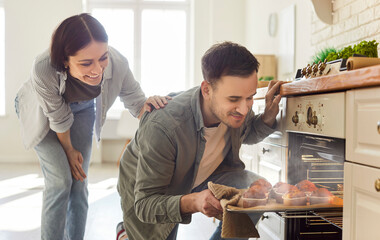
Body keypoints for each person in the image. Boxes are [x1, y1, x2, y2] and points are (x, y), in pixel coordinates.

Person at [14, 13, 170, 240]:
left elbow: (137, 103)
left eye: (102, 58)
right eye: (86, 63)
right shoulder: (43, 67)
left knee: (79, 181)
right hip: (39, 111)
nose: (98, 69)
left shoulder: (117, 62)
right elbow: (57, 118)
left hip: (82, 109)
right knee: (60, 181)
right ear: (65, 61)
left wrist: (150, 105)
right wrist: (68, 150)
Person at [117, 41, 283, 240]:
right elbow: (145, 205)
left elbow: (246, 132)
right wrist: (193, 201)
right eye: (233, 99)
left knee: (258, 192)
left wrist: (267, 117)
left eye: (250, 98)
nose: (244, 109)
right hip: (152, 189)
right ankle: (126, 234)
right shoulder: (164, 126)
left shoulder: (236, 106)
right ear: (206, 90)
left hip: (204, 174)